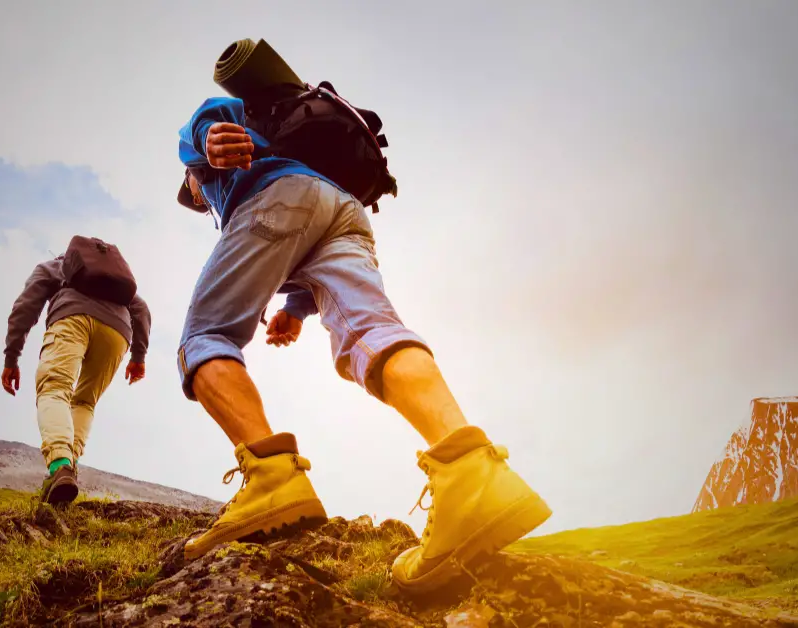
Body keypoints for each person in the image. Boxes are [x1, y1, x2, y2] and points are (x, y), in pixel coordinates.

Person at [173, 96, 552, 593]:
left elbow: (209, 115)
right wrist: (296, 309)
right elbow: (303, 238)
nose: (197, 198)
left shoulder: (211, 169)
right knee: (371, 333)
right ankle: (469, 471)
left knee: (206, 336)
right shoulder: (301, 166)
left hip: (277, 198)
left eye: (192, 193)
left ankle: (272, 480)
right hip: (344, 210)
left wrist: (205, 139)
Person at [1, 251, 151, 505]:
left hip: (72, 318)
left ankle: (61, 467)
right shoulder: (113, 282)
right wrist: (138, 356)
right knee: (84, 402)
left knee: (54, 389)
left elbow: (26, 306)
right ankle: (69, 468)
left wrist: (12, 358)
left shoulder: (55, 267)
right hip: (117, 333)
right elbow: (142, 309)